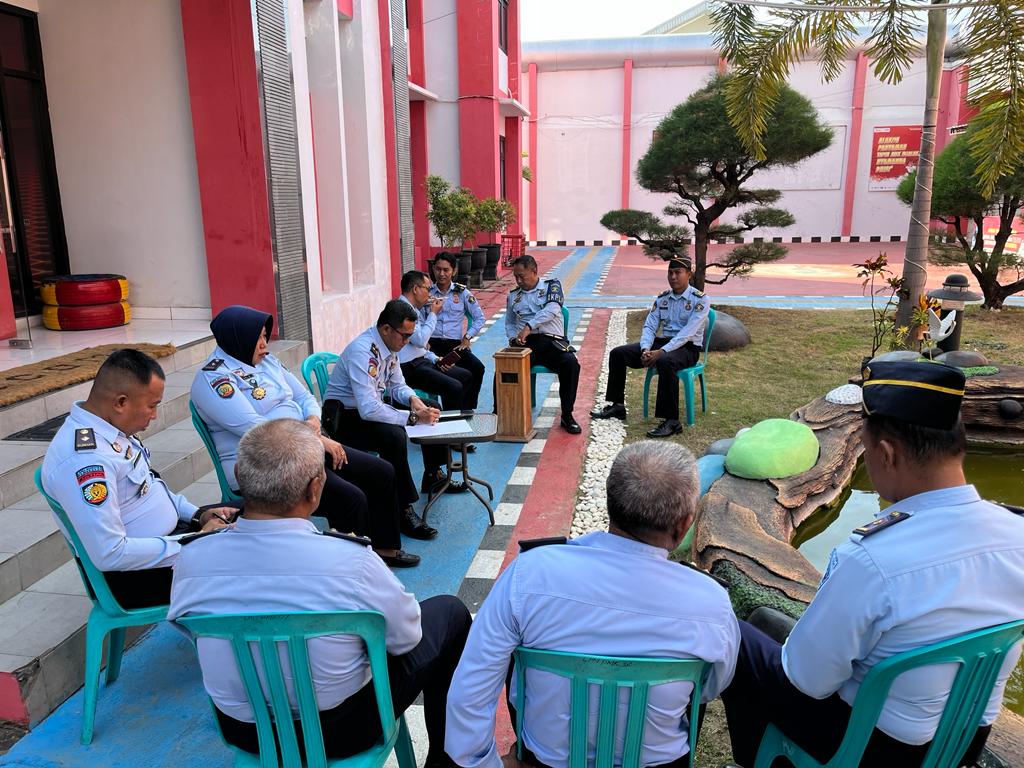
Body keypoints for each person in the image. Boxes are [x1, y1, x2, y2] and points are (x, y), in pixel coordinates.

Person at [721, 361, 1024, 767]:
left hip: (873, 748)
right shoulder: (1017, 533)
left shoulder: (871, 559)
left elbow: (808, 681)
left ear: (885, 454)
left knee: (739, 639)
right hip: (966, 738)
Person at [168, 419, 471, 766]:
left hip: (244, 730)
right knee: (450, 613)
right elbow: (406, 638)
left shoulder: (191, 558)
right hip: (342, 730)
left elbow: (192, 632)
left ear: (238, 475)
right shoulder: (353, 560)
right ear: (315, 489)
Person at [446, 441, 740, 768]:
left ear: (610, 502)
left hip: (544, 761)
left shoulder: (529, 573)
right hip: (663, 763)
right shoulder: (712, 603)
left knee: (514, 648)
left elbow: (472, 687)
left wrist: (484, 763)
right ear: (685, 525)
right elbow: (709, 687)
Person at [191, 305, 420, 568]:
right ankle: (352, 569)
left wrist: (312, 419)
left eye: (265, 336)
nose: (265, 344)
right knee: (350, 498)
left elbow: (304, 396)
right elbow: (255, 428)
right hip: (266, 465)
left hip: (305, 446)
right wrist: (318, 439)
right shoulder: (214, 379)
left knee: (382, 472)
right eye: (258, 338)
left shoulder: (265, 361)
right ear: (238, 339)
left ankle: (384, 549)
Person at [40, 349, 236, 608]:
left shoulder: (112, 429)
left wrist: (199, 515)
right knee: (251, 558)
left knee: (258, 518)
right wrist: (193, 543)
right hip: (134, 577)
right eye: (152, 406)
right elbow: (110, 554)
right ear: (121, 403)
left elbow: (151, 488)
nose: (154, 415)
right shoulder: (85, 460)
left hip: (168, 545)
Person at [321, 299, 466, 540]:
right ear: (386, 328)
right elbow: (369, 409)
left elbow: (397, 384)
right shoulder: (363, 352)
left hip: (366, 409)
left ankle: (433, 474)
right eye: (405, 335)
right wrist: (412, 418)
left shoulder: (389, 347)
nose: (408, 341)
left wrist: (413, 400)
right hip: (344, 419)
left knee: (432, 407)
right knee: (394, 437)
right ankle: (402, 509)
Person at [591, 257, 708, 438]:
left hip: (688, 347)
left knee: (665, 361)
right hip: (663, 343)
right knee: (618, 354)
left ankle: (672, 421)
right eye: (670, 273)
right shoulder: (662, 299)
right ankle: (618, 406)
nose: (673, 277)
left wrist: (661, 352)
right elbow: (650, 326)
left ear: (689, 275)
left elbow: (687, 333)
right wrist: (645, 349)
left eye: (678, 273)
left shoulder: (700, 300)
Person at [504, 255, 581, 434]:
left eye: (522, 276)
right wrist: (512, 338)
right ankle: (500, 412)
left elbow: (553, 309)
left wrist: (529, 326)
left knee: (571, 363)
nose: (518, 280)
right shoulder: (514, 296)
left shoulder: (551, 287)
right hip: (527, 344)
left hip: (552, 342)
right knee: (505, 366)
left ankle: (567, 415)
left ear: (534, 271)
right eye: (515, 276)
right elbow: (509, 322)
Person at [398, 270, 476, 413]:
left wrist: (435, 359)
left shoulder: (413, 309)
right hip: (409, 367)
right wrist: (433, 313)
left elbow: (419, 347)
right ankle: (450, 421)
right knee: (454, 386)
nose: (429, 294)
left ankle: (463, 414)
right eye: (427, 289)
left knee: (465, 376)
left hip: (422, 360)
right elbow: (420, 340)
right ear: (415, 289)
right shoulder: (402, 310)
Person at [428, 253, 486, 412]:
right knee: (451, 375)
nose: (441, 274)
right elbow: (417, 318)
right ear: (433, 269)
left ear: (454, 271)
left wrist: (467, 337)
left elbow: (479, 318)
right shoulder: (427, 293)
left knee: (477, 368)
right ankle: (451, 413)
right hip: (431, 344)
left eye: (446, 270)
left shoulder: (462, 293)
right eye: (438, 269)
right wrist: (422, 340)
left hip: (454, 346)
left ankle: (467, 409)